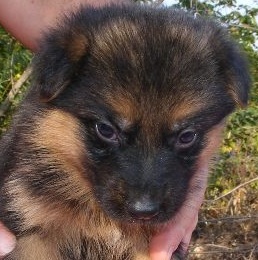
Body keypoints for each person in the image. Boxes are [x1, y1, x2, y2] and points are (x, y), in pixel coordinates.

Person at [0, 1, 207, 259]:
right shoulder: (36, 188)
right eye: (106, 131)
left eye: (186, 137)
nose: (144, 203)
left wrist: (196, 178)